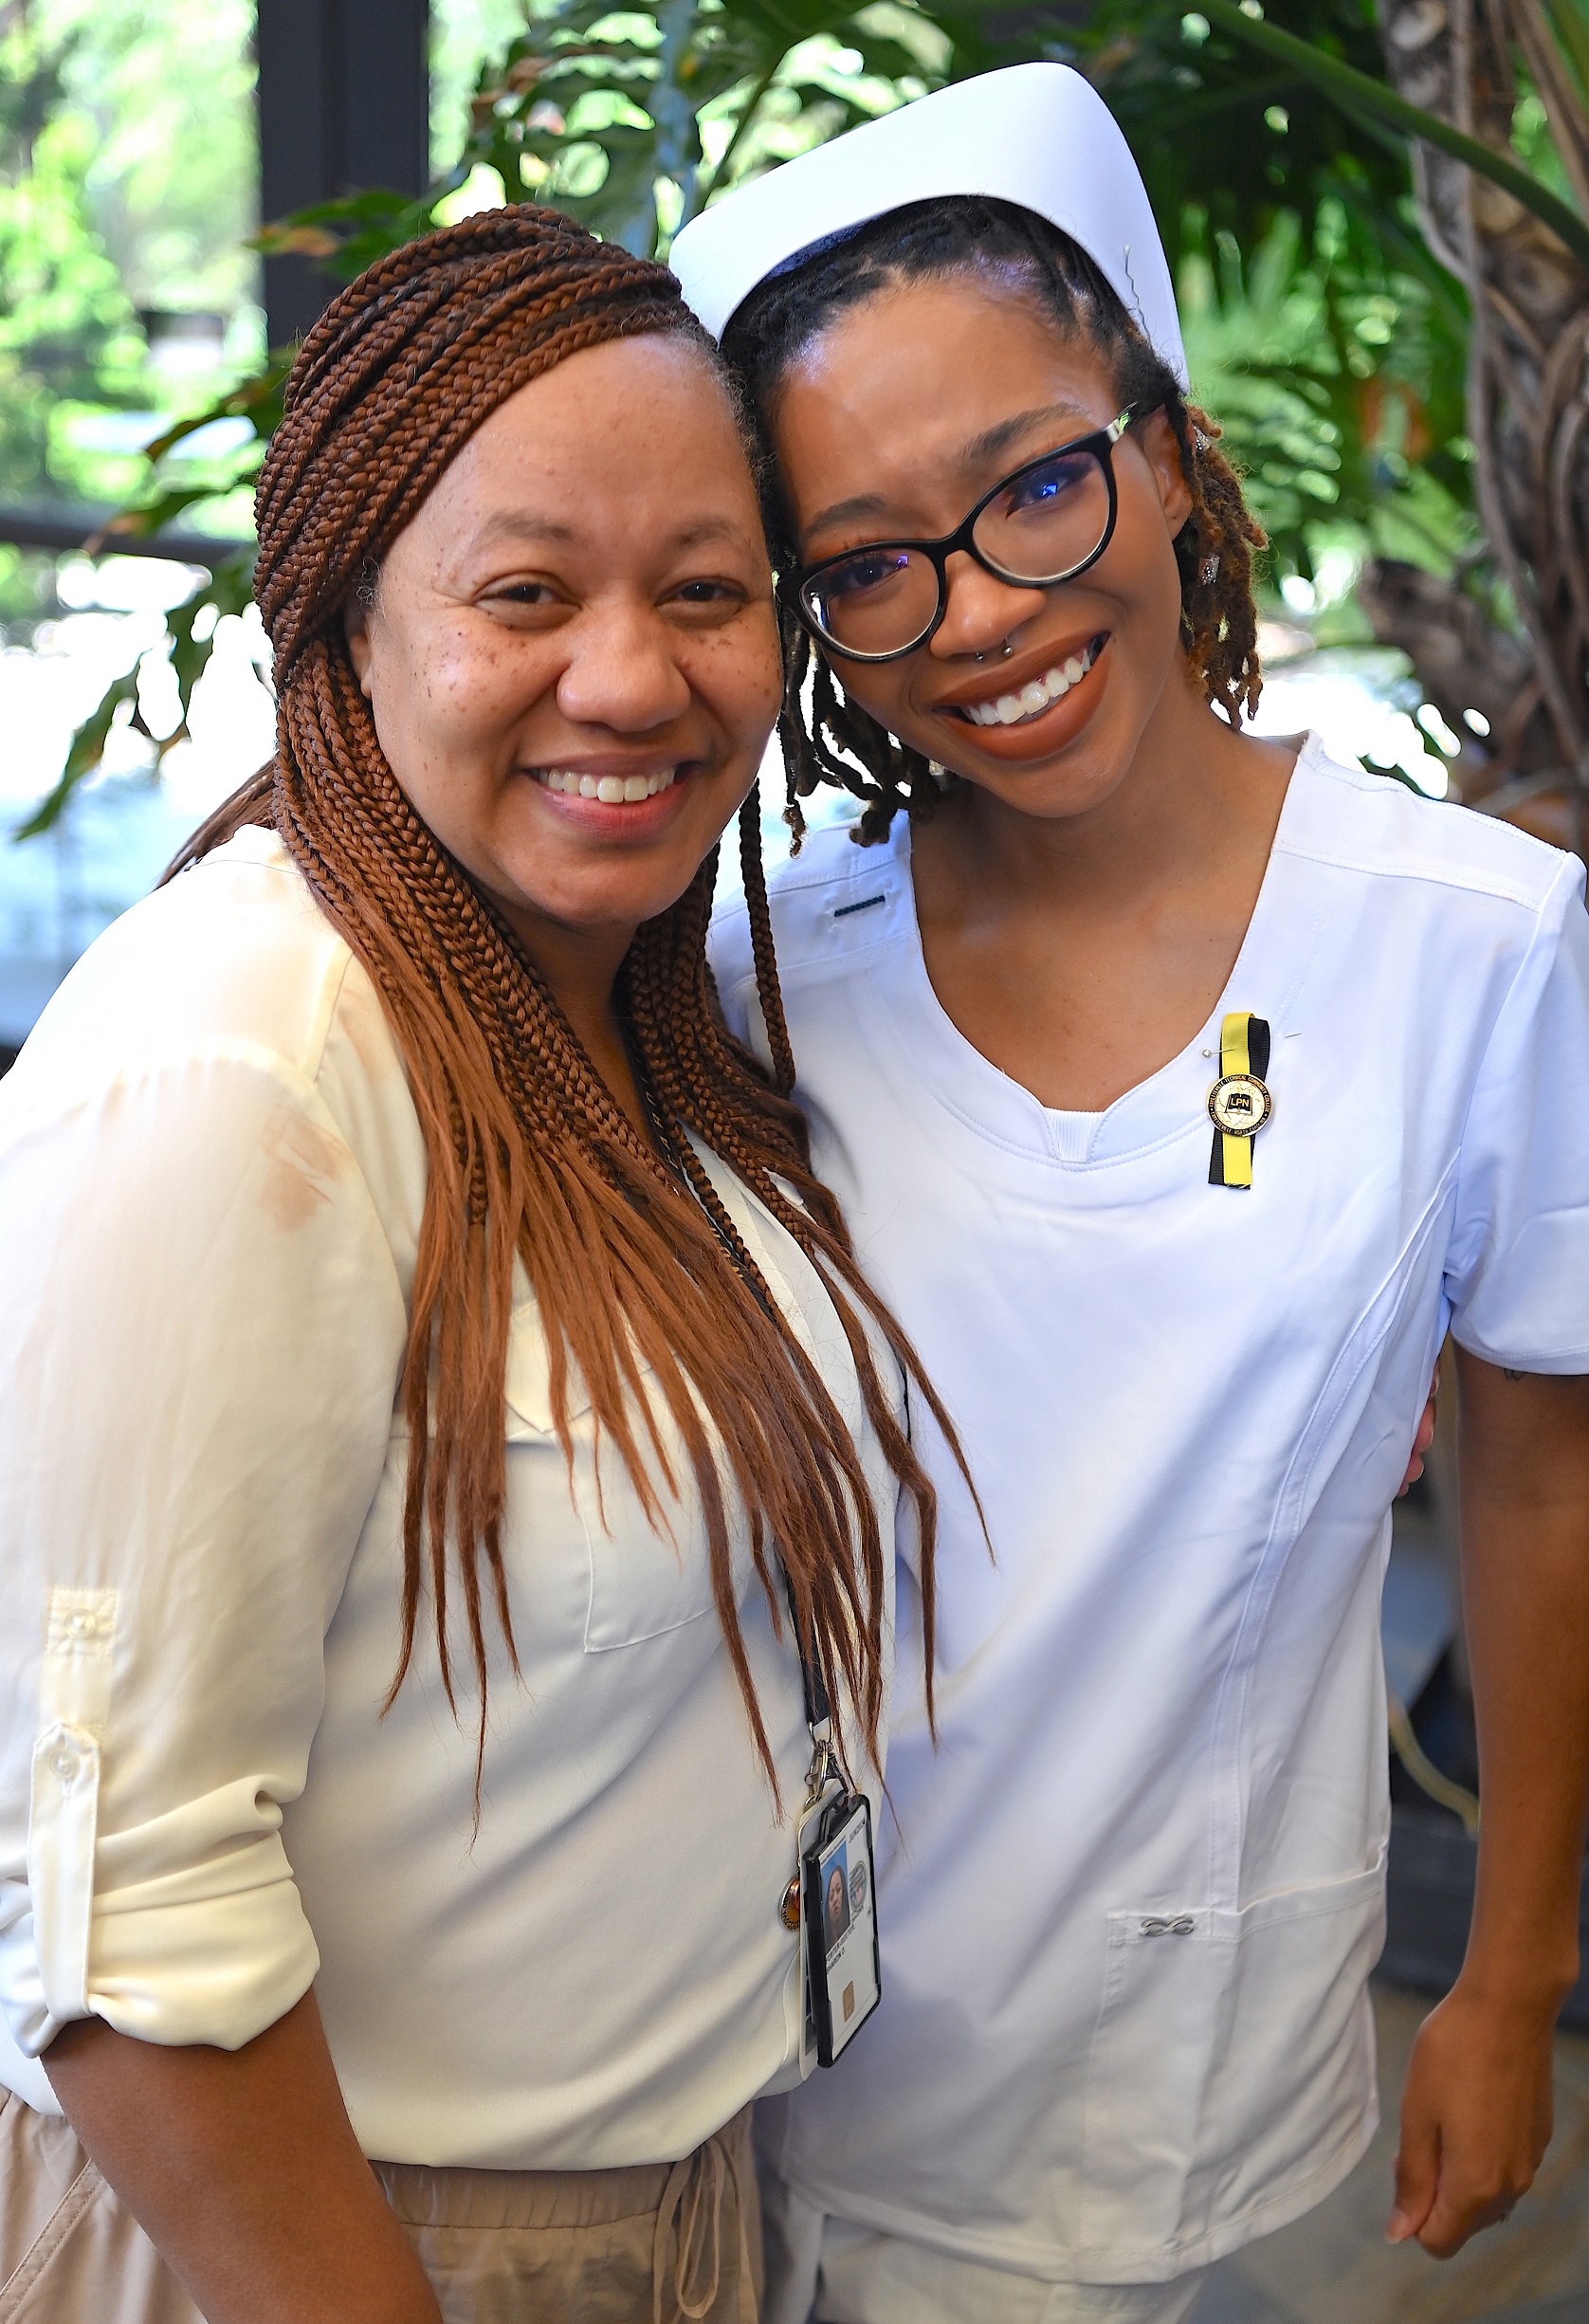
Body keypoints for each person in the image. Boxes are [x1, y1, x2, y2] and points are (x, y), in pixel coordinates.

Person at [672, 64, 1589, 2324]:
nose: (976, 613)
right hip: (716, 2042)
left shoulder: (1472, 938)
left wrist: (1502, 1970)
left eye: (1035, 487)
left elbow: (1539, 1472)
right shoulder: (757, 975)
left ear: (1168, 458)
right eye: (869, 563)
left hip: (1168, 2064)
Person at [0, 208, 950, 2324]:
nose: (629, 674)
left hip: (657, 2201)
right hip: (336, 2244)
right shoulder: (241, 1065)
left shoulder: (627, 1007)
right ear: (342, 626)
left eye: (704, 594)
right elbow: (126, 1941)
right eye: (523, 592)